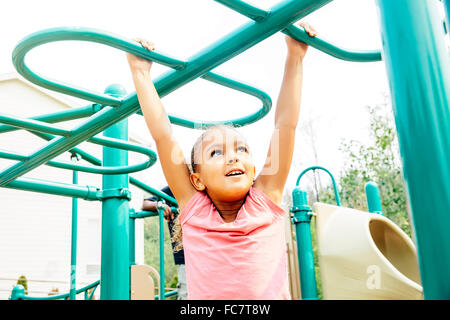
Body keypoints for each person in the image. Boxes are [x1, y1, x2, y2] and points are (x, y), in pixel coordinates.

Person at [127, 21, 317, 300]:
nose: (232, 158)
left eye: (241, 150)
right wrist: (140, 73)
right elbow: (164, 137)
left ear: (253, 169)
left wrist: (296, 56)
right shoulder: (194, 210)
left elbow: (285, 126)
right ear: (197, 179)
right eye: (217, 153)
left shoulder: (265, 200)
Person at [141, 186, 187, 300]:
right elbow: (145, 203)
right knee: (186, 294)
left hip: (208, 252)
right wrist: (159, 205)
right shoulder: (175, 187)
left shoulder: (207, 184)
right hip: (186, 257)